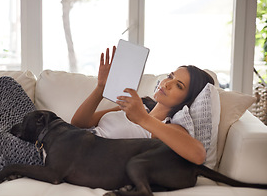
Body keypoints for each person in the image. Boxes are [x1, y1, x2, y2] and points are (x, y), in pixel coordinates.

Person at [71, 47, 215, 166]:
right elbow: (79, 123)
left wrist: (143, 119)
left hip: (88, 160)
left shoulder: (168, 126)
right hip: (76, 141)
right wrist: (101, 88)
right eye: (170, 76)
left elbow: (198, 155)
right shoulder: (140, 104)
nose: (167, 84)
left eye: (179, 85)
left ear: (188, 99)